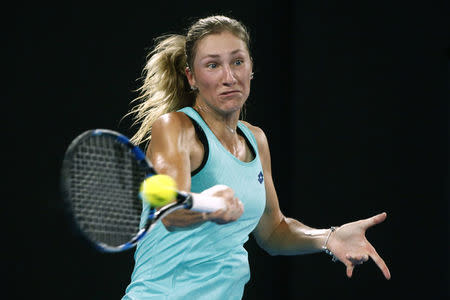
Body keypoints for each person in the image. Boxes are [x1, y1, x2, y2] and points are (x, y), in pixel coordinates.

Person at [122, 15, 391, 299]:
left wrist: (328, 237)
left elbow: (273, 231)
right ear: (192, 77)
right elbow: (169, 210)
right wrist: (209, 206)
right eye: (213, 65)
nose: (229, 77)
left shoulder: (256, 139)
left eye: (237, 62)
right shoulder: (175, 127)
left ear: (251, 68)